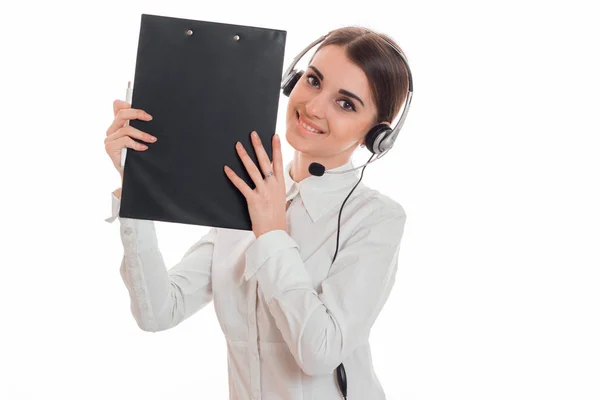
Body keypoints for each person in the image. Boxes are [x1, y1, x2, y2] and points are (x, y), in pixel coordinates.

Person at [104, 26, 410, 400]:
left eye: (346, 103)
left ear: (376, 135)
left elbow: (320, 352)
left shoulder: (377, 219)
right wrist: (136, 181)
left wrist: (271, 234)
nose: (313, 107)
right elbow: (158, 311)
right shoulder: (246, 192)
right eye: (313, 81)